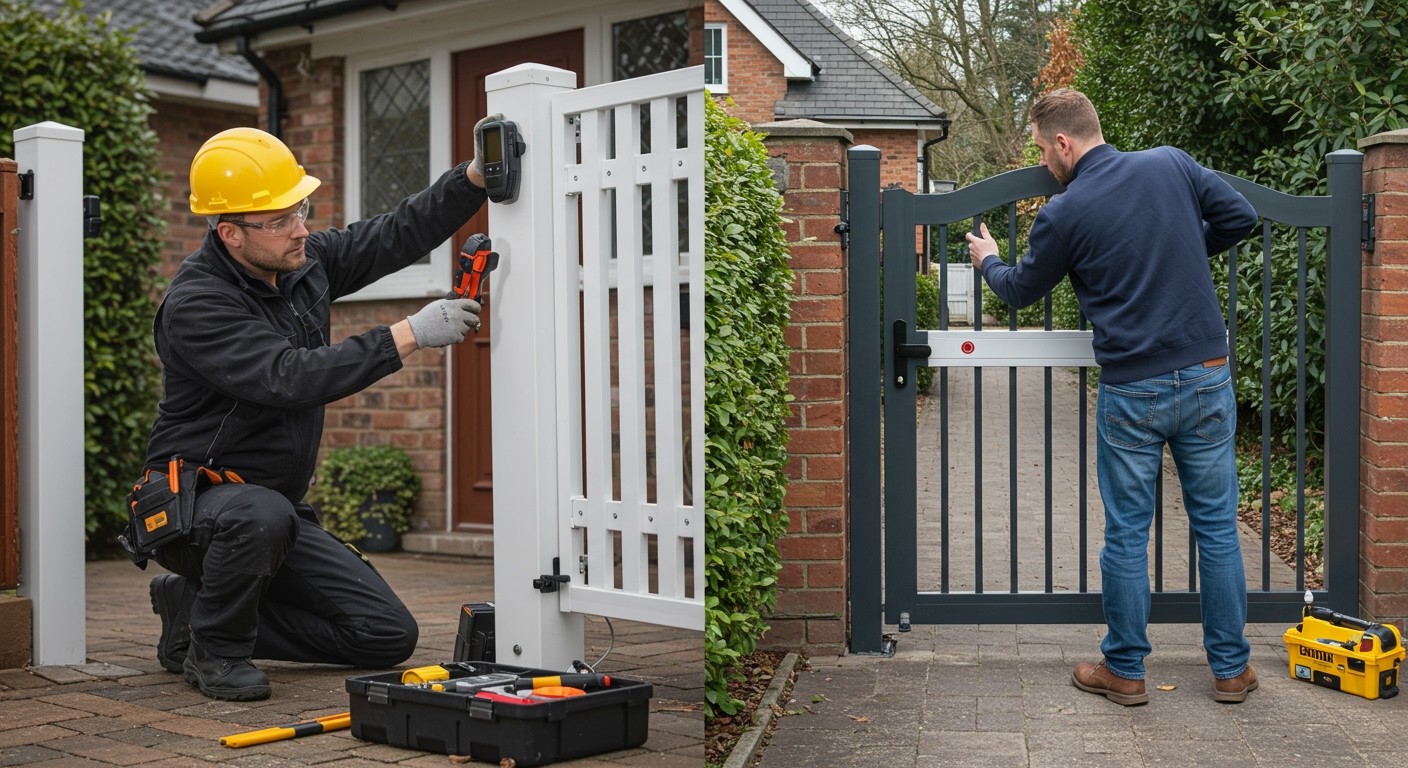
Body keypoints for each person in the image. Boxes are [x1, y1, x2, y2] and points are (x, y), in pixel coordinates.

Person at [137, 119, 496, 701]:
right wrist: (409, 333)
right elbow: (289, 377)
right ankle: (216, 651)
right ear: (230, 234)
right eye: (280, 220)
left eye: (300, 209)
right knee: (259, 513)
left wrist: (473, 178)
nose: (300, 229)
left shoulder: (301, 262)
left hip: (276, 514)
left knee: (385, 634)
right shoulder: (197, 305)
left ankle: (192, 610)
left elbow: (394, 234)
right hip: (196, 508)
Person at [965, 88, 1259, 706]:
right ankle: (1232, 671)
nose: (1043, 162)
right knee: (1217, 527)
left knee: (1127, 532)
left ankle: (1124, 671)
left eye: (1042, 150)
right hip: (1205, 374)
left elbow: (1018, 291)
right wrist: (1177, 246)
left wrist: (989, 259)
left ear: (1064, 143)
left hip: (1133, 390)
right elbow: (1241, 217)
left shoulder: (1064, 213)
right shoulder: (1171, 163)